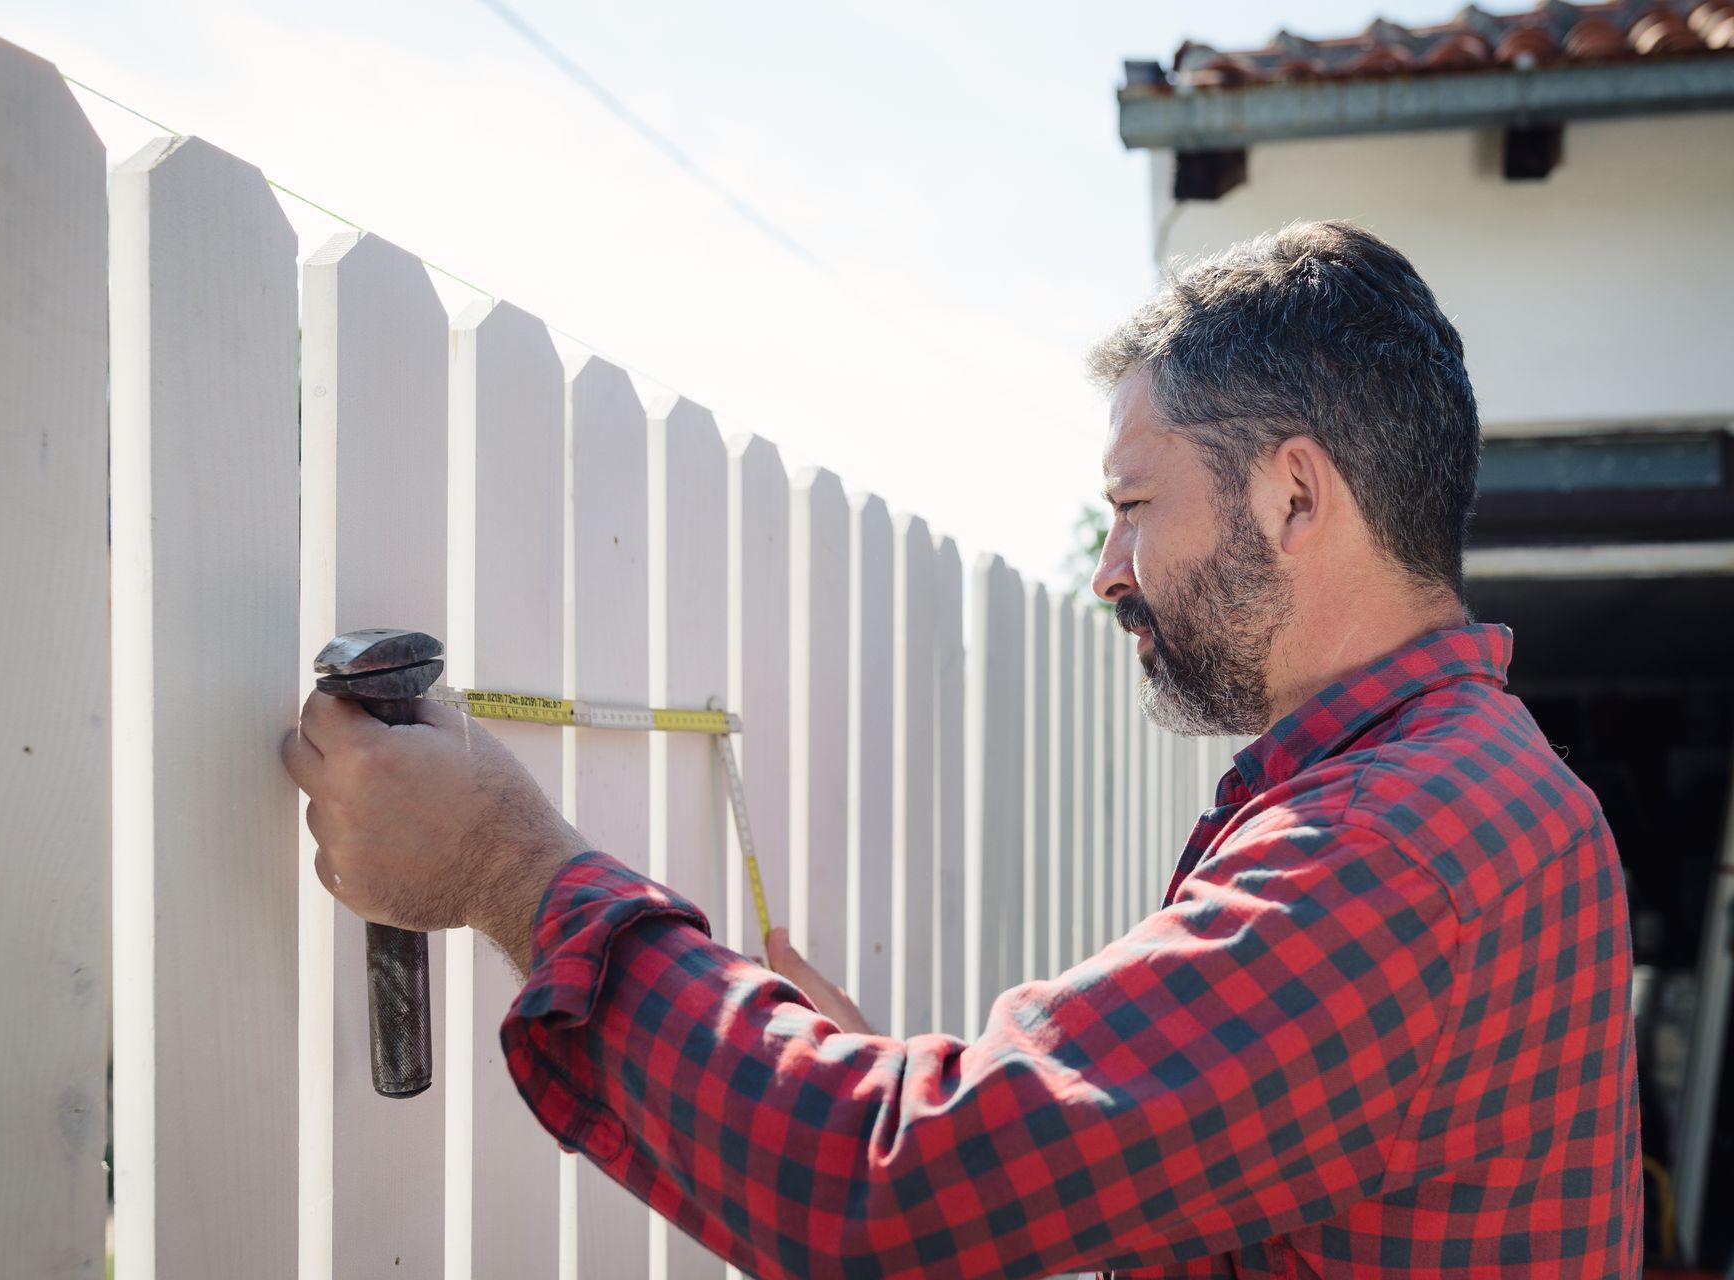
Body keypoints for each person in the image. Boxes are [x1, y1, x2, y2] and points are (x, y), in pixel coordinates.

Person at [283, 221, 1642, 1277]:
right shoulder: (1498, 791)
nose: (1108, 570)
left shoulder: (1389, 848)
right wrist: (930, 1122)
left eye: (1131, 505)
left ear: (1294, 495)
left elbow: (873, 1187)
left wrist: (508, 869)